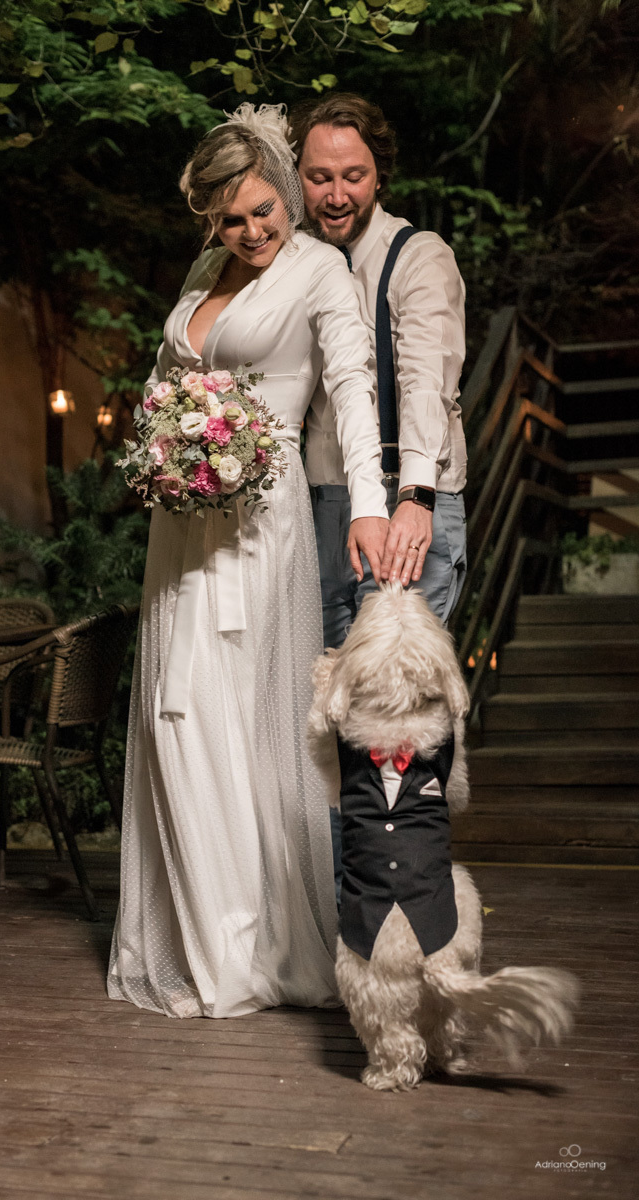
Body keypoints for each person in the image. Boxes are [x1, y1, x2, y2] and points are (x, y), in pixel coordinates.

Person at [107, 104, 388, 1019]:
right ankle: (197, 941)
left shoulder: (319, 273)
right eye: (232, 219)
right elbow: (164, 378)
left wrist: (376, 503)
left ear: (283, 190)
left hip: (258, 529)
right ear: (208, 222)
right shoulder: (203, 274)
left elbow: (348, 383)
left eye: (265, 208)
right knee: (170, 717)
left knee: (230, 721)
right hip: (183, 523)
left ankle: (249, 947)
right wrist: (160, 442)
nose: (253, 230)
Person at [290, 93, 468, 651]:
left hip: (406, 502)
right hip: (318, 509)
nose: (337, 195)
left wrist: (416, 499)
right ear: (296, 180)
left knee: (395, 708)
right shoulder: (294, 266)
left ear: (380, 176)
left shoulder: (419, 257)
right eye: (319, 177)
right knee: (326, 698)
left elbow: (425, 387)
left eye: (354, 176)